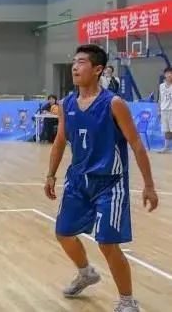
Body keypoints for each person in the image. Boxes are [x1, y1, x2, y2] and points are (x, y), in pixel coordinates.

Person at [44, 44, 158, 312]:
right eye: (74, 62)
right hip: (77, 181)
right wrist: (50, 174)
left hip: (110, 182)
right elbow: (60, 141)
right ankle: (86, 273)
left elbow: (136, 144)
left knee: (107, 242)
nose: (75, 67)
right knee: (63, 233)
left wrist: (149, 185)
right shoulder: (67, 104)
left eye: (82, 62)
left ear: (97, 70)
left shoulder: (113, 103)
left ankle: (127, 301)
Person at [158, 67, 172, 152]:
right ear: (165, 75)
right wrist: (159, 110)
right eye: (167, 73)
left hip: (171, 110)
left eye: (171, 73)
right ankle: (166, 147)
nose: (169, 75)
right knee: (166, 130)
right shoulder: (161, 86)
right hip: (164, 110)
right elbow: (160, 98)